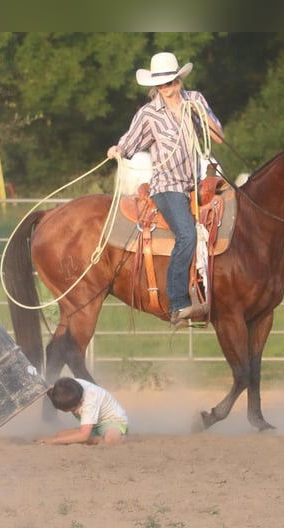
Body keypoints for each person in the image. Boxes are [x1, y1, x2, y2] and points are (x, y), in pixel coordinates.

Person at [107, 51, 224, 325]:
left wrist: (201, 117)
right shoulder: (149, 114)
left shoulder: (195, 101)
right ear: (155, 87)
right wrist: (118, 149)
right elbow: (130, 141)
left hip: (194, 183)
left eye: (170, 82)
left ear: (179, 81)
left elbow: (218, 136)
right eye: (161, 85)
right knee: (186, 234)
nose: (167, 89)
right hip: (167, 187)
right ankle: (177, 302)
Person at [37, 376, 129, 445]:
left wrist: (54, 441)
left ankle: (118, 437)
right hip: (93, 425)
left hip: (112, 421)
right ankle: (97, 438)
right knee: (60, 434)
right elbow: (51, 389)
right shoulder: (67, 387)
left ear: (80, 402)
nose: (73, 412)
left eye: (72, 410)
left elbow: (84, 435)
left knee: (110, 440)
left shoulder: (90, 400)